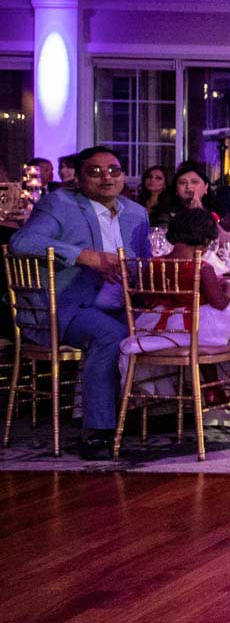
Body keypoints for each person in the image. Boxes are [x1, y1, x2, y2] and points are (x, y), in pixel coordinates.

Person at [10, 145, 153, 459]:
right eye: (95, 171)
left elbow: (146, 262)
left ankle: (154, 416)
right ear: (79, 176)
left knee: (166, 330)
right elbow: (21, 241)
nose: (107, 178)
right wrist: (83, 256)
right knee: (111, 335)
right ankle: (98, 431)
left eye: (114, 170)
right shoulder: (60, 203)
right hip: (69, 306)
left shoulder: (136, 212)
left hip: (124, 304)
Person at [119, 207, 230, 402]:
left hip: (161, 327)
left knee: (205, 337)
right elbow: (220, 303)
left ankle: (213, 389)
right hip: (193, 326)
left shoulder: (155, 264)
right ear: (205, 241)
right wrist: (228, 287)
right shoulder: (202, 268)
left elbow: (146, 298)